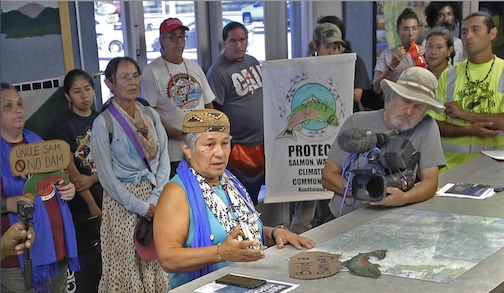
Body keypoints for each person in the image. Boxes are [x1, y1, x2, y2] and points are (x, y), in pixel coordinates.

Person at [153, 109, 315, 289]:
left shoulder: (229, 182)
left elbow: (238, 230)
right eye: (209, 145)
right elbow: (168, 258)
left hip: (247, 282)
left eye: (225, 143)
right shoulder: (176, 192)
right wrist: (220, 253)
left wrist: (273, 233)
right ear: (187, 149)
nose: (220, 153)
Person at [90, 57, 170, 292]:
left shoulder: (151, 116)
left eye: (135, 76)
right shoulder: (103, 124)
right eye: (124, 77)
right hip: (123, 204)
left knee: (155, 261)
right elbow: (107, 179)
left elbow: (164, 159)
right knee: (126, 266)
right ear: (109, 83)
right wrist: (140, 206)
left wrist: (155, 199)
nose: (132, 82)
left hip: (154, 196)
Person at [322, 67, 446, 218]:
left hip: (394, 222)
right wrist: (367, 192)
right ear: (392, 95)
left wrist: (404, 198)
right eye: (406, 101)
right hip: (343, 218)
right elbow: (328, 176)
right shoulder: (357, 121)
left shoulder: (427, 127)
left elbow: (430, 182)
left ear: (426, 109)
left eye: (418, 106)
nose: (408, 111)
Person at [1, 83, 79, 293]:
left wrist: (68, 189)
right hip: (17, 260)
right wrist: (7, 203)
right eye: (8, 106)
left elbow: (56, 181)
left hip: (56, 249)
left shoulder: (39, 144)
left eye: (19, 103)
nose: (18, 109)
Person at [429, 11, 504, 170]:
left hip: (495, 171)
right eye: (464, 32)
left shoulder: (502, 71)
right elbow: (434, 123)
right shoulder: (449, 75)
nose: (468, 36)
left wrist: (463, 114)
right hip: (451, 171)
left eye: (475, 30)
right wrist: (468, 130)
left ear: (492, 33)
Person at [142, 18, 215, 178]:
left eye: (182, 37)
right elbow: (148, 114)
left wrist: (210, 131)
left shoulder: (194, 67)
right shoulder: (152, 71)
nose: (179, 42)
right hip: (172, 153)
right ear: (162, 40)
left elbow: (209, 104)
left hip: (200, 148)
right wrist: (173, 132)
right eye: (173, 37)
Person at [206, 22, 265, 204]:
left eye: (242, 40)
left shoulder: (253, 61)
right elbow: (212, 111)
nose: (238, 45)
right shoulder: (217, 72)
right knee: (242, 197)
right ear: (224, 42)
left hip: (263, 142)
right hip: (240, 146)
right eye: (233, 41)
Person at [49, 69, 103, 219]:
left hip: (106, 189)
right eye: (77, 91)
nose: (84, 95)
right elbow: (69, 167)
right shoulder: (62, 123)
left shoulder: (102, 119)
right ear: (68, 96)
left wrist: (93, 178)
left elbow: (114, 160)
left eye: (87, 89)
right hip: (81, 198)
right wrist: (91, 203)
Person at [308, 15, 372, 112]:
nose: (331, 52)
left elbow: (356, 95)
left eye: (335, 48)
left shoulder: (353, 61)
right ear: (316, 45)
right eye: (327, 47)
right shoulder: (309, 64)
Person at [373, 8, 424, 94]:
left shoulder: (425, 53)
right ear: (398, 32)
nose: (411, 33)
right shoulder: (387, 55)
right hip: (394, 104)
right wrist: (392, 65)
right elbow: (377, 88)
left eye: (414, 28)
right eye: (406, 29)